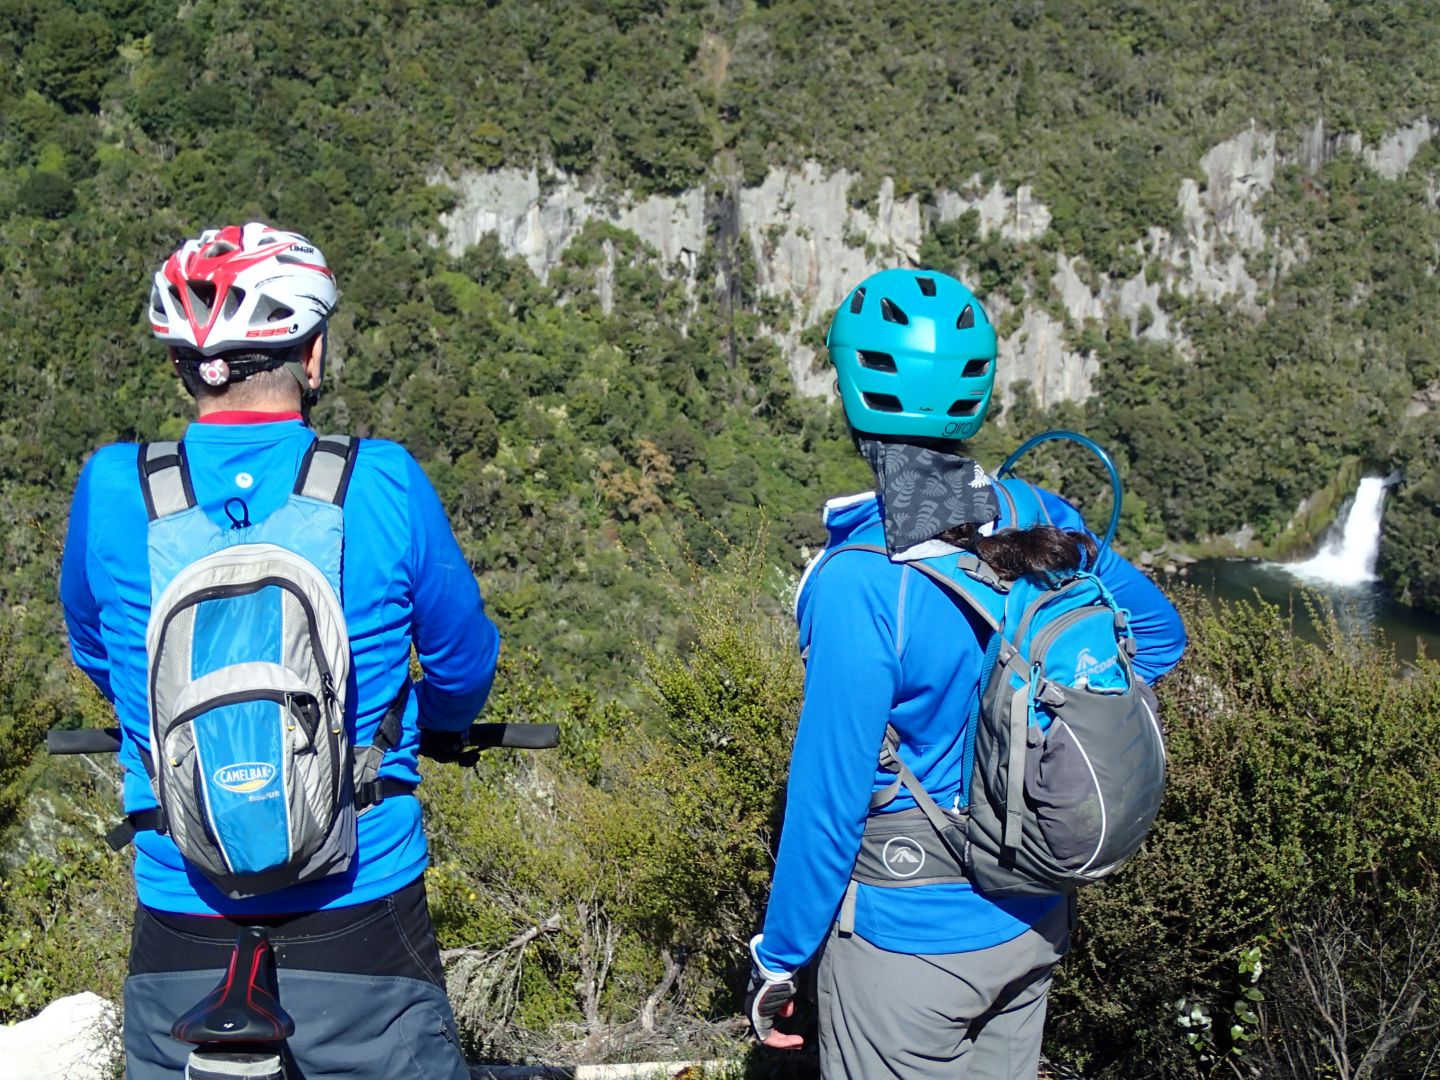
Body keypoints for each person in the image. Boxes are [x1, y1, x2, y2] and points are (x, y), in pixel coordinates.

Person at [60, 222, 500, 1078]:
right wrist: (437, 725)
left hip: (182, 910)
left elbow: (97, 652)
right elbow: (462, 665)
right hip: (361, 910)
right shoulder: (381, 479)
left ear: (187, 366)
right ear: (315, 353)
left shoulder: (113, 488)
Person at [745, 268, 1187, 1078]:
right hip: (1034, 921)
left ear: (851, 390)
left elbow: (829, 797)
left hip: (909, 950)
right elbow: (1157, 638)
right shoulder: (1042, 515)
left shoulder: (860, 581)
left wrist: (780, 958)